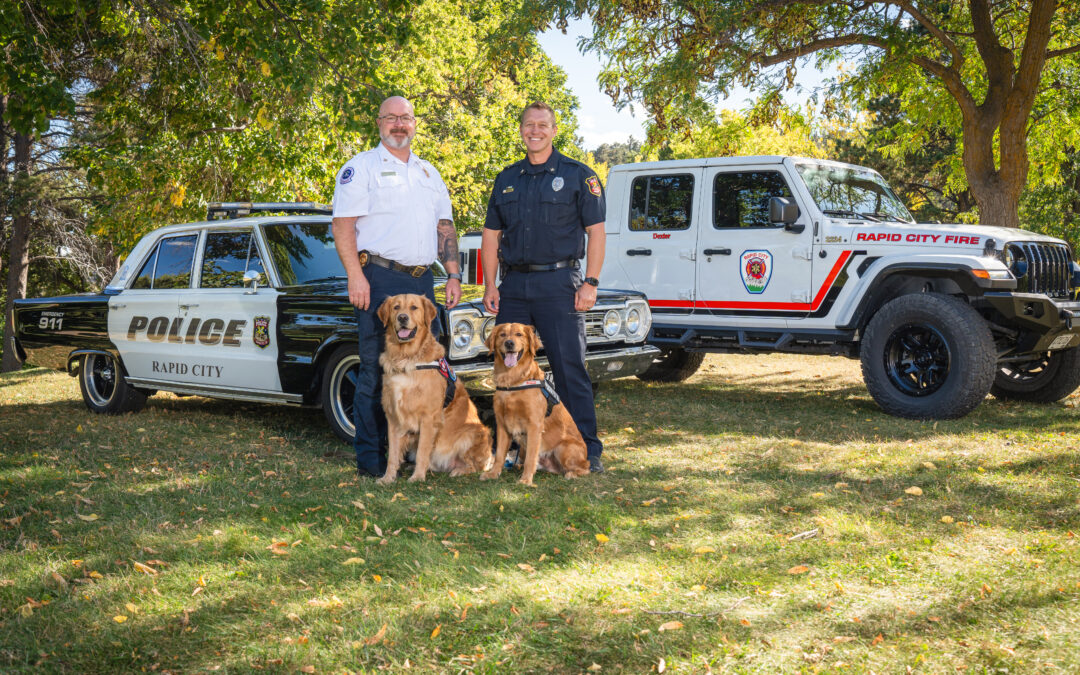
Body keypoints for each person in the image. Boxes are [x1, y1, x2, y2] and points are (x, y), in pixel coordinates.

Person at [331, 95, 463, 478]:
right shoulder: (361, 168)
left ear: (414, 123)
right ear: (379, 123)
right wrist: (356, 276)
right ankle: (372, 464)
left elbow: (445, 228)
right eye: (391, 118)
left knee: (428, 369)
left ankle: (418, 457)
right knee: (377, 372)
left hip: (424, 281)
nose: (399, 125)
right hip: (380, 278)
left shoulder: (429, 173)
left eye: (405, 118)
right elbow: (342, 226)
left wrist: (453, 274)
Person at [481, 101, 607, 473]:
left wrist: (591, 282)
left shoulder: (578, 175)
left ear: (554, 130)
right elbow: (491, 236)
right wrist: (491, 284)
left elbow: (596, 233)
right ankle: (514, 451)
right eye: (528, 125)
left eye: (542, 125)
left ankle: (586, 448)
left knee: (569, 368)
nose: (534, 131)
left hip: (560, 284)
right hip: (515, 283)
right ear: (521, 130)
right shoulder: (507, 178)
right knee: (509, 367)